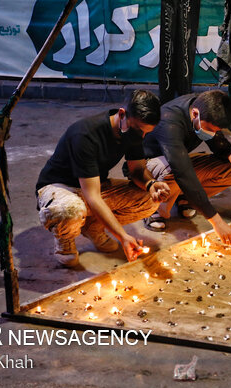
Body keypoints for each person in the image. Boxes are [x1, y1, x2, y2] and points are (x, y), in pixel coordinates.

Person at [35, 90, 170, 267]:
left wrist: (151, 183)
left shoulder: (133, 130)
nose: (142, 137)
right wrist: (123, 236)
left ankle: (93, 226)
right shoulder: (85, 134)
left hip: (94, 186)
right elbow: (92, 196)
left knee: (149, 200)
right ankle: (65, 238)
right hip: (59, 188)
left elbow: (137, 169)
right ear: (122, 114)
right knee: (69, 210)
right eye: (139, 131)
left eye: (146, 133)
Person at [142, 90, 231, 244]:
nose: (213, 134)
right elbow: (182, 172)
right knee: (174, 171)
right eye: (211, 129)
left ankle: (185, 198)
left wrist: (229, 152)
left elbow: (212, 137)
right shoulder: (169, 122)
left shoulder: (202, 106)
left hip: (178, 158)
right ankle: (152, 209)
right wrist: (216, 222)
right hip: (149, 168)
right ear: (194, 114)